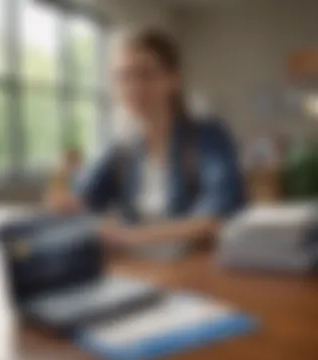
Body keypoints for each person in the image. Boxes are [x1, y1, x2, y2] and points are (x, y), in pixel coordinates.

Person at [46, 29, 245, 251]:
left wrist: (130, 236)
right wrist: (67, 202)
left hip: (197, 267)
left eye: (146, 74)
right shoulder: (120, 149)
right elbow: (84, 199)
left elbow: (216, 216)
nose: (133, 87)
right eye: (123, 77)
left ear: (173, 79)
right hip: (139, 267)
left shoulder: (209, 137)